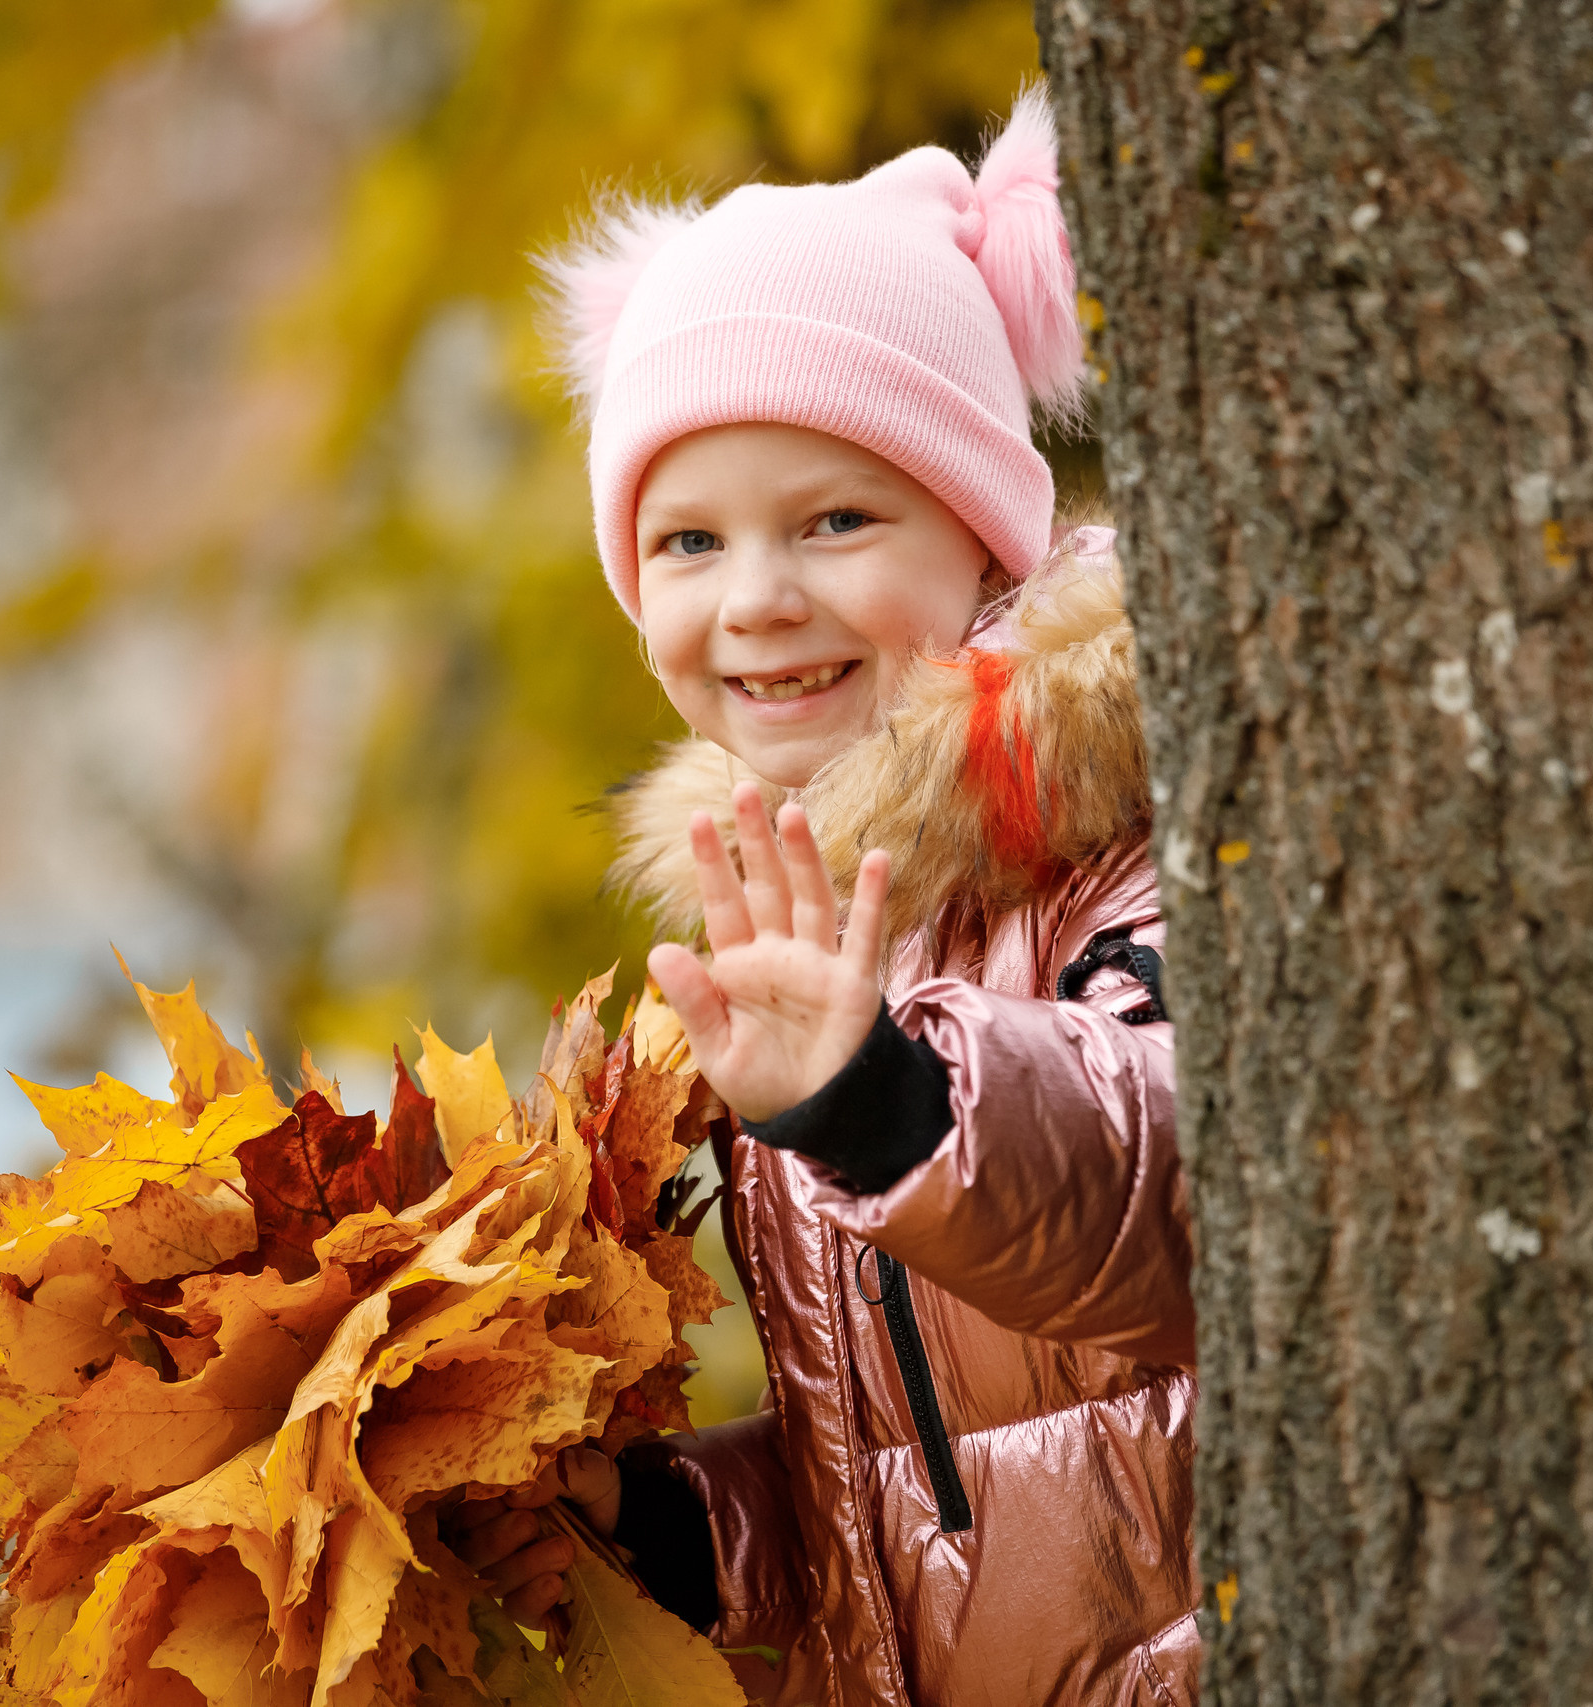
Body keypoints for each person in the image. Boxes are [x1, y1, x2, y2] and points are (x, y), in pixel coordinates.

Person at [446, 88, 1197, 1707]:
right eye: (690, 541)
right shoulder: (781, 912)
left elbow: (1172, 1183)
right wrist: (675, 1526)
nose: (756, 599)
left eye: (836, 519)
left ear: (983, 535)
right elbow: (905, 1481)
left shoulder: (1124, 846)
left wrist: (889, 1105)